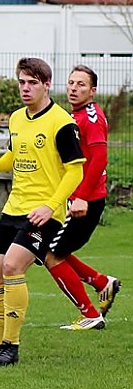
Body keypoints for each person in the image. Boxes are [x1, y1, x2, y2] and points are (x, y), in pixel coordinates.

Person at [0, 57, 85, 366]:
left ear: (47, 85)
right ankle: (0, 345)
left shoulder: (61, 121)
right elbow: (17, 152)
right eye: (22, 82)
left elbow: (75, 171)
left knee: (13, 266)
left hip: (45, 212)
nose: (25, 89)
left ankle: (11, 346)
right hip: (14, 207)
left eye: (32, 83)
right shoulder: (16, 119)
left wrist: (52, 205)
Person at [42, 65, 121, 330]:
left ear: (93, 90)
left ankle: (91, 314)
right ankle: (101, 283)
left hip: (86, 201)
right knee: (51, 250)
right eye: (71, 83)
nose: (74, 88)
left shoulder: (90, 116)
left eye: (81, 85)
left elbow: (99, 158)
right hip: (75, 198)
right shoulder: (74, 115)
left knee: (52, 256)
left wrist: (82, 197)